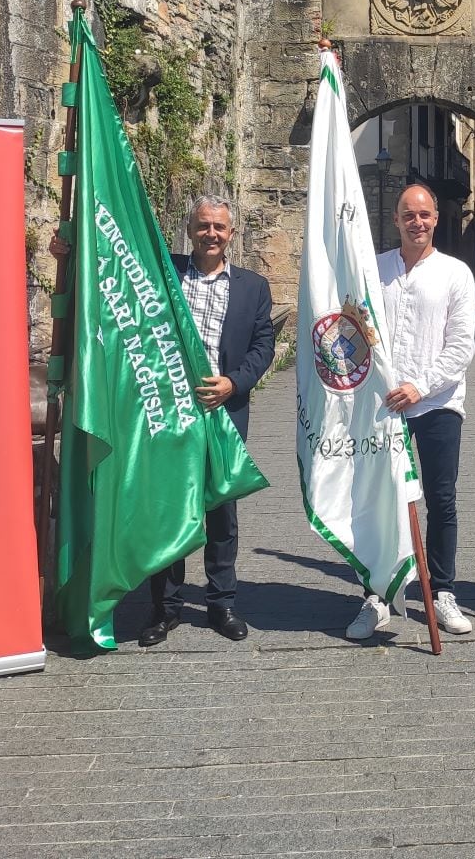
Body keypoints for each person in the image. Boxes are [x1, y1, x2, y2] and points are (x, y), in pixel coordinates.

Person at [140, 196, 275, 646]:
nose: (211, 234)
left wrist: (234, 384)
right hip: (170, 411)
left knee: (221, 512)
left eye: (219, 227)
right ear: (190, 230)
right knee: (170, 510)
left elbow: (263, 347)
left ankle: (221, 604)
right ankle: (165, 609)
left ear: (231, 234)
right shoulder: (165, 273)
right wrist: (67, 246)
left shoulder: (254, 288)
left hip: (223, 411)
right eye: (203, 226)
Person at [348, 183, 475, 639]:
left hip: (438, 404)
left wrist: (419, 387)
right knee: (377, 500)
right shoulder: (374, 269)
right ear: (397, 220)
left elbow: (461, 346)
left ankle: (441, 591)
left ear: (436, 218)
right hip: (383, 408)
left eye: (424, 215)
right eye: (408, 215)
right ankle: (377, 595)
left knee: (441, 499)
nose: (416, 222)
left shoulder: (456, 273)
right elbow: (355, 326)